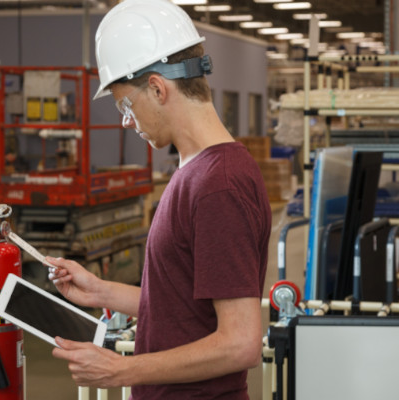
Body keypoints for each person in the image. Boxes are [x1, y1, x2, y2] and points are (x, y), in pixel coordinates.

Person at [45, 0, 272, 398]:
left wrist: (121, 370)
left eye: (125, 104)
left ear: (157, 87)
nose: (126, 120)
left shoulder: (219, 186)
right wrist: (101, 291)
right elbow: (182, 307)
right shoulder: (194, 171)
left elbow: (241, 343)